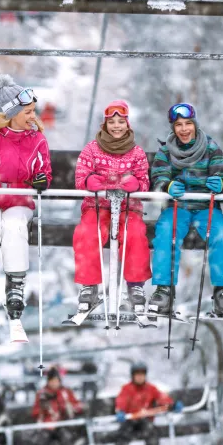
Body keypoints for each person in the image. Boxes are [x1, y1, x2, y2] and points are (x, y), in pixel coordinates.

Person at [148, 103, 223, 318]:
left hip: (205, 207)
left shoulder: (210, 147)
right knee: (166, 232)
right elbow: (158, 178)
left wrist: (220, 184)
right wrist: (167, 186)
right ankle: (164, 289)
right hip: (177, 207)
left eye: (188, 124)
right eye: (178, 125)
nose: (184, 129)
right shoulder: (165, 151)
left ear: (195, 125)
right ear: (173, 128)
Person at [0, 74, 53, 319]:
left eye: (33, 111)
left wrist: (42, 180)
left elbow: (44, 169)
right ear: (13, 113)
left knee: (14, 225)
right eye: (27, 112)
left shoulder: (37, 140)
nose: (32, 117)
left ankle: (15, 283)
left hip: (19, 198)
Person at [72, 100, 152, 313]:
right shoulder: (92, 149)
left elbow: (144, 181)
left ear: (128, 124)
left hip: (128, 206)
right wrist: (89, 181)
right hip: (97, 205)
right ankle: (89, 284)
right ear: (105, 125)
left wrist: (136, 185)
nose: (116, 126)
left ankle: (135, 284)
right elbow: (80, 176)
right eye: (112, 122)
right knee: (88, 232)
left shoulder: (136, 152)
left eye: (120, 121)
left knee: (134, 233)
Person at [103, 362, 183, 445]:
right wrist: (120, 411)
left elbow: (161, 398)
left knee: (152, 432)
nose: (140, 377)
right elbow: (122, 401)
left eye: (142, 374)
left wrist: (171, 404)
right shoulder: (127, 389)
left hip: (145, 421)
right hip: (131, 421)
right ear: (133, 376)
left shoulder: (150, 389)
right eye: (137, 374)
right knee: (122, 436)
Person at [21, 367, 83, 445]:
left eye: (56, 380)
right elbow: (35, 413)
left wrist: (69, 407)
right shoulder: (42, 394)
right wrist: (42, 409)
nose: (54, 383)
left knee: (69, 442)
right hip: (48, 426)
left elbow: (76, 406)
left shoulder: (65, 392)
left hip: (63, 424)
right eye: (52, 381)